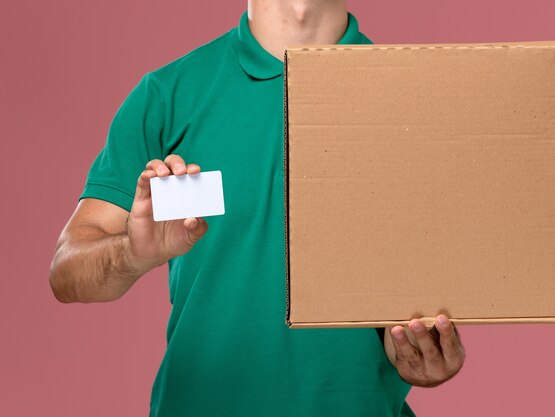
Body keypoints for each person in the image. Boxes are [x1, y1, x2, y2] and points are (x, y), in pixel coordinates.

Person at [49, 1, 465, 416]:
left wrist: (421, 354)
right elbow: (67, 272)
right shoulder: (168, 94)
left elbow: (424, 297)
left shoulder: (414, 99)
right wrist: (132, 253)